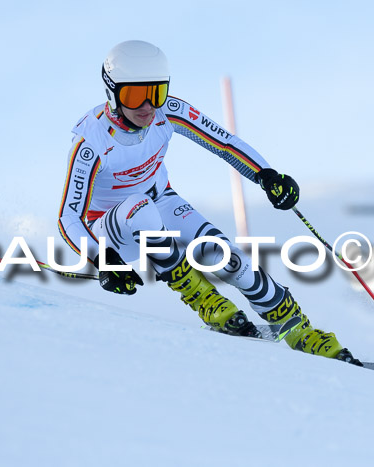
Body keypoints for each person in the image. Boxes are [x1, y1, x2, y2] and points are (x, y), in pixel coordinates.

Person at [58, 40, 357, 362]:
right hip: (109, 230)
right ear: (112, 92)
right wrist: (104, 260)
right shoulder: (91, 141)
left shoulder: (167, 112)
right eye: (134, 95)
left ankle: (301, 332)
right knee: (139, 209)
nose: (147, 106)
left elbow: (224, 143)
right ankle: (205, 301)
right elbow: (68, 217)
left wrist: (266, 176)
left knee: (232, 261)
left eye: (156, 92)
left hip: (160, 202)